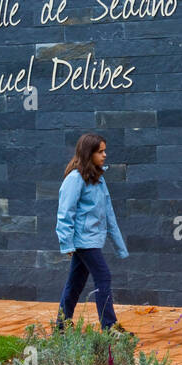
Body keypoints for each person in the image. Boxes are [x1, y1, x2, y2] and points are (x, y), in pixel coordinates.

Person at [55, 132, 129, 332]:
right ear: (89, 153)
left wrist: (119, 246)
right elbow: (65, 212)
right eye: (100, 151)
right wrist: (67, 243)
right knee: (103, 276)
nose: (104, 155)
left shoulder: (97, 179)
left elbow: (109, 214)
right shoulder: (75, 179)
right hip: (83, 241)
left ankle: (61, 326)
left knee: (75, 282)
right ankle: (109, 327)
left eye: (105, 151)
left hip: (93, 240)